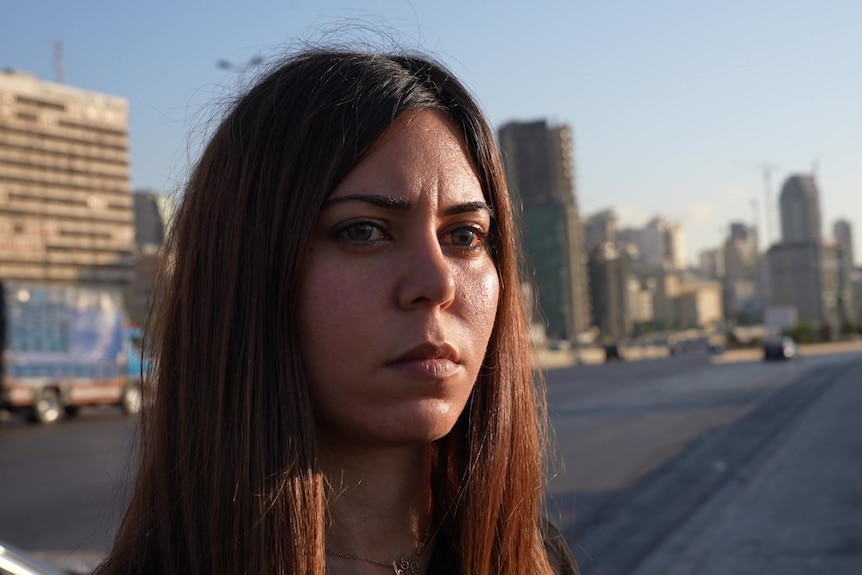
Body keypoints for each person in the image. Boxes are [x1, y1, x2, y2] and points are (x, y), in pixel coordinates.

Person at [95, 47, 578, 575]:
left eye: (464, 235)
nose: (436, 282)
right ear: (247, 273)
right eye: (363, 231)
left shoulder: (535, 559)